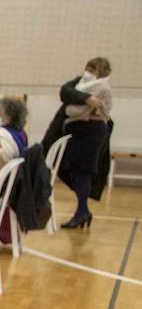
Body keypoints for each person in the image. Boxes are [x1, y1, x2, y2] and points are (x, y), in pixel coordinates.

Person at [54, 57, 114, 229]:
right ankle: (83, 211)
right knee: (71, 170)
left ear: (101, 72)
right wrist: (85, 99)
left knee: (83, 172)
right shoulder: (81, 83)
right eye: (87, 68)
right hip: (78, 130)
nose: (88, 72)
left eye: (93, 70)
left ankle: (81, 212)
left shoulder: (102, 87)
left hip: (91, 132)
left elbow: (73, 109)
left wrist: (77, 101)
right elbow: (65, 92)